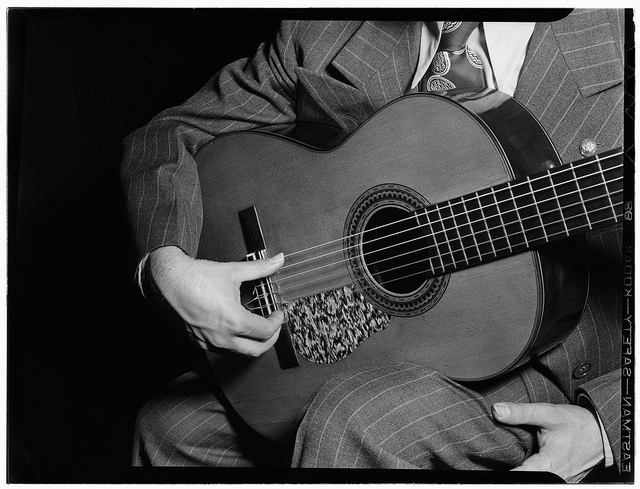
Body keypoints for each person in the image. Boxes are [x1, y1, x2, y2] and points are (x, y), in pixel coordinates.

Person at [121, 10, 626, 481]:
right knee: (168, 428)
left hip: (550, 373)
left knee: (354, 419)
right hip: (343, 339)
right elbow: (170, 134)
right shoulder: (329, 28)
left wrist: (605, 427)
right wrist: (165, 265)